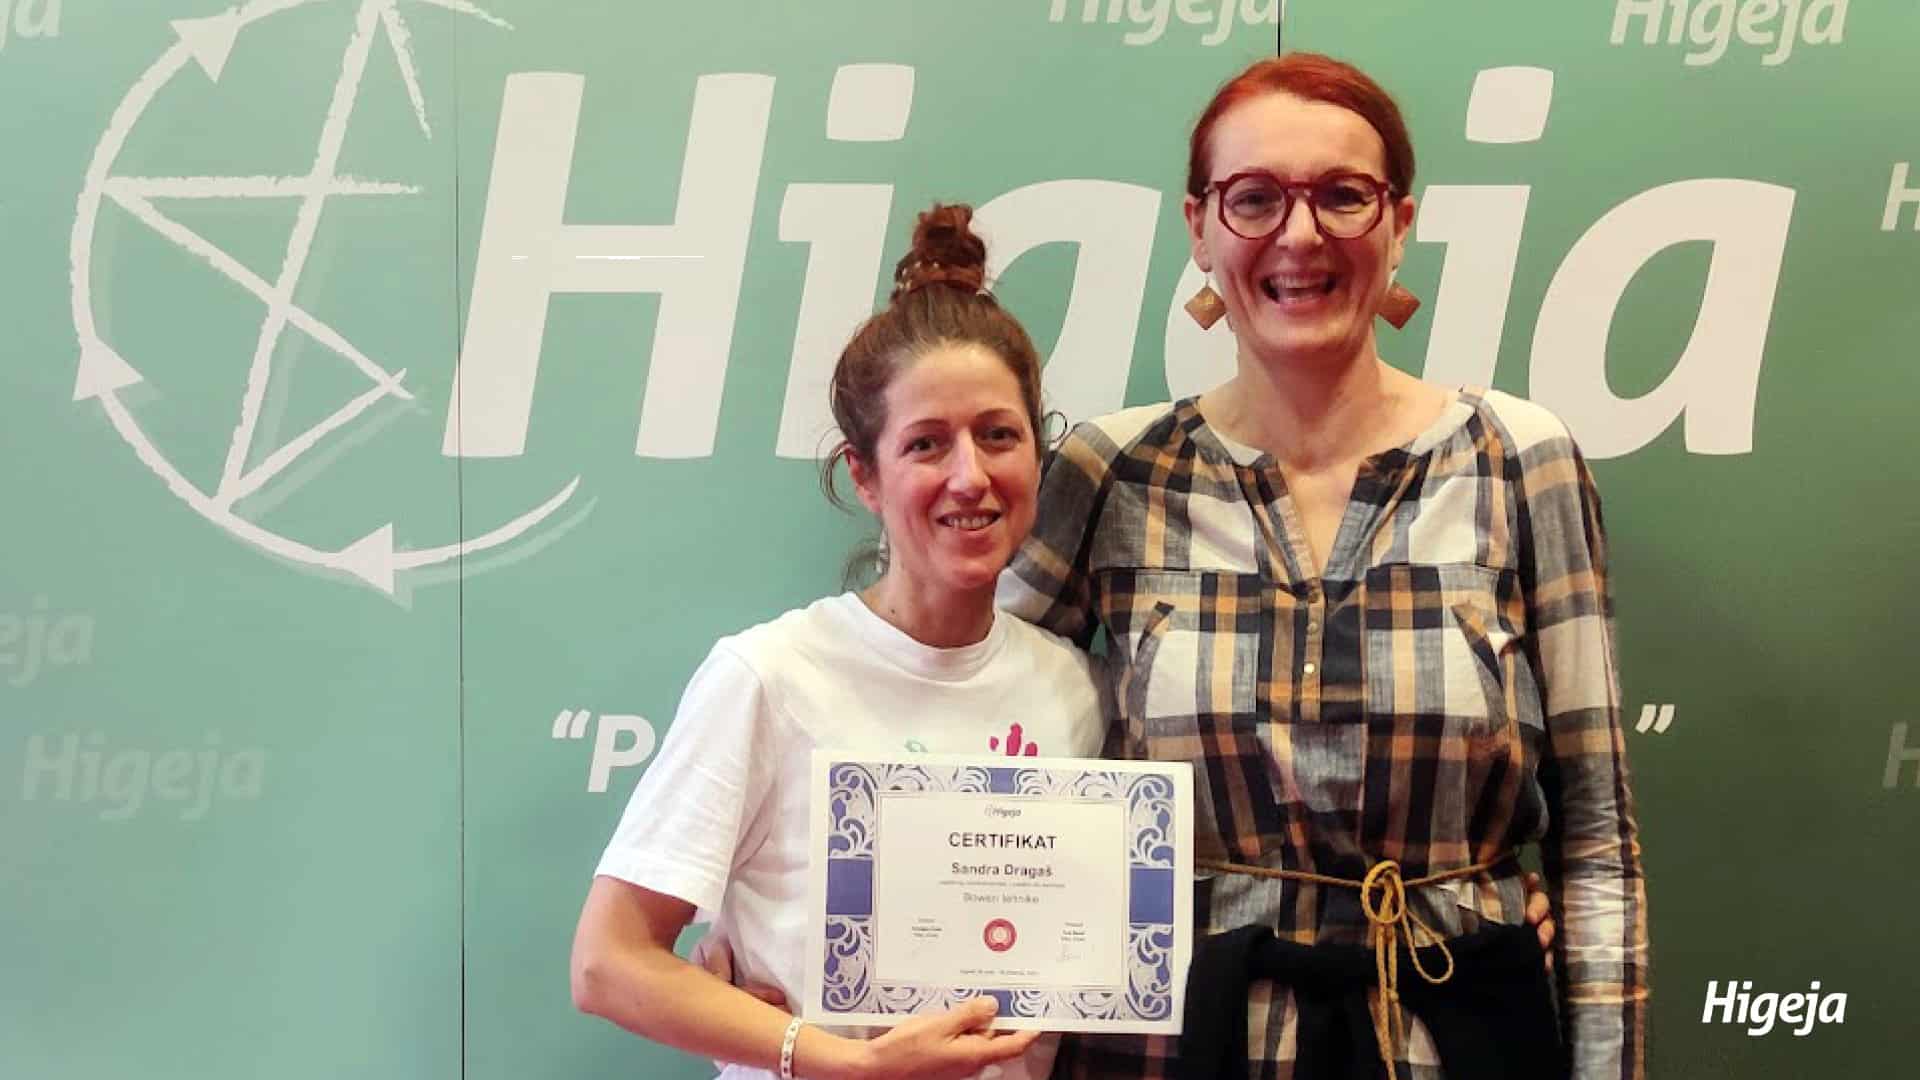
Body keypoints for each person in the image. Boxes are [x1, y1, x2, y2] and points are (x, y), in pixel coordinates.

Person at [998, 53, 1649, 1079]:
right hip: (1174, 1046)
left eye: (1343, 195)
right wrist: (805, 938)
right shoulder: (1109, 473)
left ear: (1399, 222)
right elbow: (964, 729)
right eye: (1254, 198)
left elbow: (1597, 837)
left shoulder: (1521, 460)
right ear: (1200, 228)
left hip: (1460, 1038)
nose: (1300, 236)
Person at [570, 205, 1105, 1080]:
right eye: (926, 444)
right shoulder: (769, 676)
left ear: (1037, 454)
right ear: (865, 474)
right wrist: (839, 1061)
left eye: (998, 435)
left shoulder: (1078, 693)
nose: (969, 475)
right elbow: (607, 962)